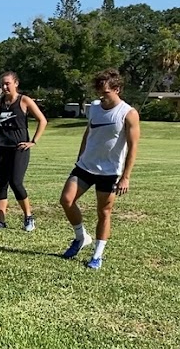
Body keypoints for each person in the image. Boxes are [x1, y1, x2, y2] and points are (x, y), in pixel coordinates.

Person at [59, 68, 141, 269]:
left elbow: (133, 147)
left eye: (106, 92)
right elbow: (88, 132)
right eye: (99, 92)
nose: (102, 96)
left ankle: (97, 255)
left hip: (109, 171)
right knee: (66, 200)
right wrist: (80, 156)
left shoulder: (128, 113)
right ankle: (81, 237)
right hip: (85, 165)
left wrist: (126, 177)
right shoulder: (95, 107)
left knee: (104, 212)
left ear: (117, 89)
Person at [0, 71, 47, 231]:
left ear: (16, 83)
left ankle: (28, 217)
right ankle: (1, 221)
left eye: (7, 83)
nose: (4, 87)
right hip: (1, 148)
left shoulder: (24, 100)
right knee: (1, 183)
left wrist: (33, 141)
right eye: (2, 84)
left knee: (15, 182)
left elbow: (42, 120)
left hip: (19, 149)